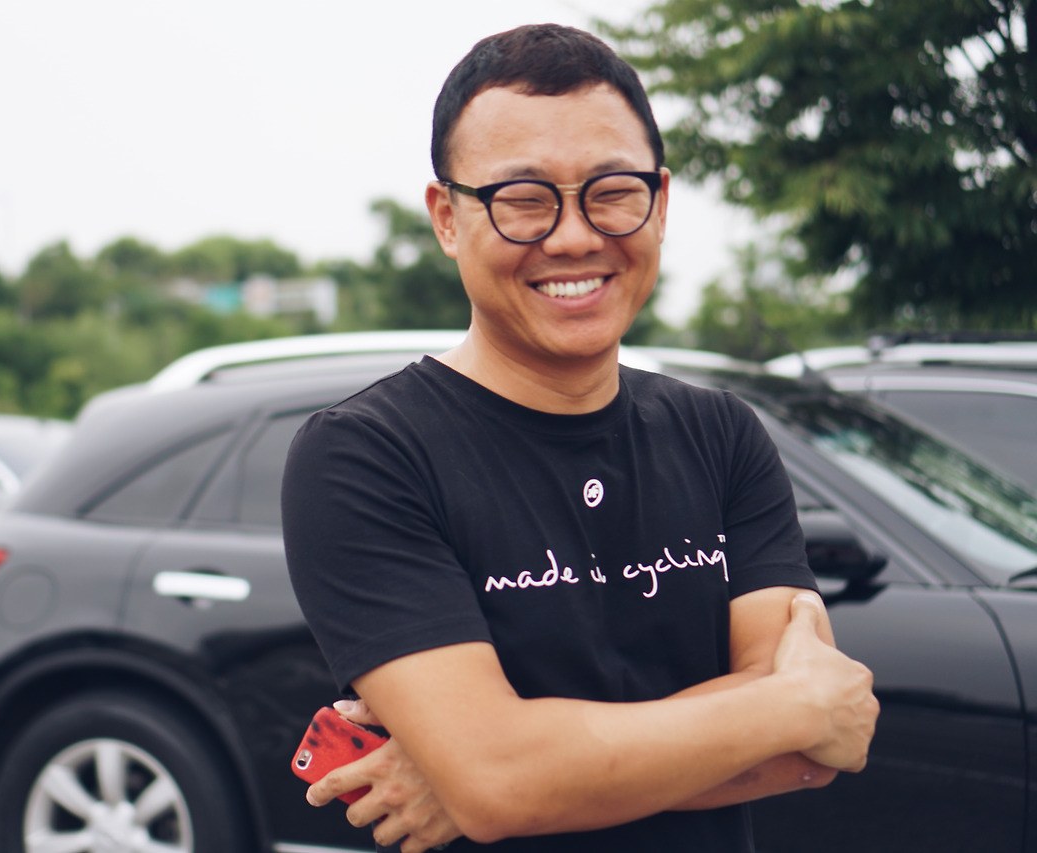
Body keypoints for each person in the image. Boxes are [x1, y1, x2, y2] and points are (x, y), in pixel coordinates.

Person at [281, 23, 878, 853]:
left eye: (611, 191)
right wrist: (786, 704)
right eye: (523, 199)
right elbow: (498, 779)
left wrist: (523, 776)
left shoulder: (723, 436)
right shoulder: (366, 455)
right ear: (447, 218)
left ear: (659, 202)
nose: (573, 236)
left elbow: (809, 752)